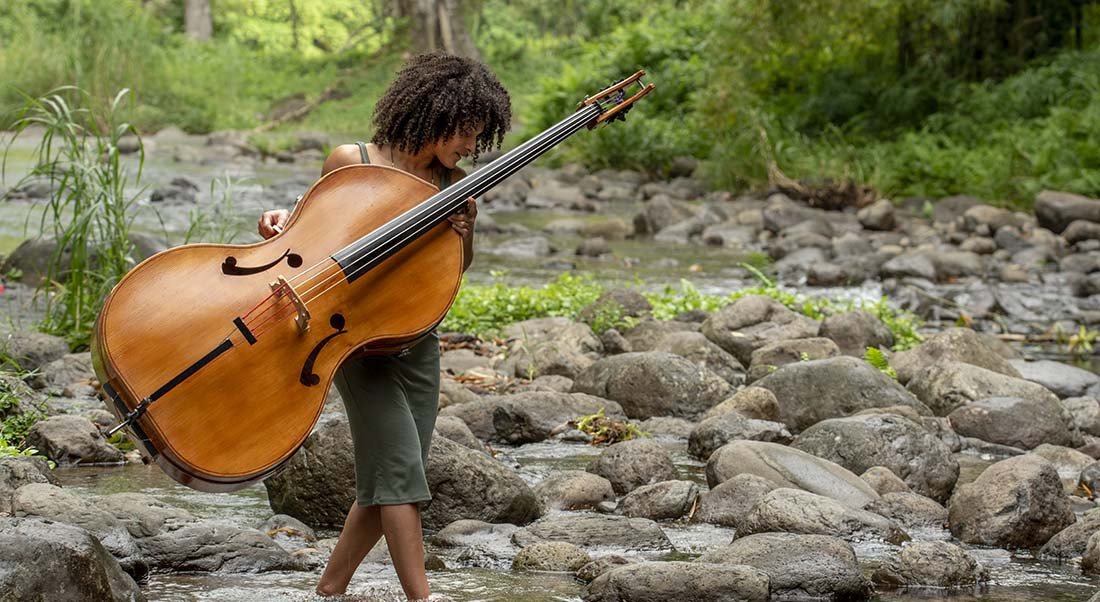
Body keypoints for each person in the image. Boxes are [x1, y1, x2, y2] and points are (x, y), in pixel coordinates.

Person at [256, 53, 511, 601]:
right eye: (467, 132)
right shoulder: (353, 159)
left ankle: (329, 589)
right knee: (400, 473)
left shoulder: (455, 183)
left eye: (477, 136)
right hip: (352, 338)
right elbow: (310, 230)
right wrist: (279, 219)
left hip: (417, 338)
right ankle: (423, 597)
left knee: (392, 475)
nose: (470, 146)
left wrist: (463, 229)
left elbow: (454, 270)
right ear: (435, 114)